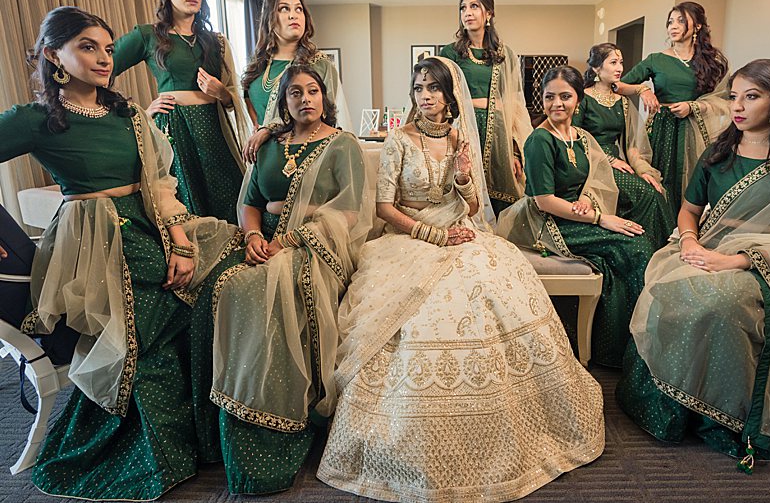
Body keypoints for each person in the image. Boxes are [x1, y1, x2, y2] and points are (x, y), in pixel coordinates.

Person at [317, 55, 604, 502]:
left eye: (433, 89)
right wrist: (432, 233)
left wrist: (467, 178)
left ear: (449, 97)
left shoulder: (457, 138)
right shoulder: (399, 138)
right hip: (408, 238)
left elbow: (470, 207)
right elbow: (384, 208)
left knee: (495, 285)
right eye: (418, 89)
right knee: (421, 319)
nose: (425, 97)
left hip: (461, 230)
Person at [5, 6, 242, 501]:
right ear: (53, 55)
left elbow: (159, 184)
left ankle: (197, 440)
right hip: (96, 242)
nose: (103, 59)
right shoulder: (35, 120)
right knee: (150, 336)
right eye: (87, 47)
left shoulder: (127, 113)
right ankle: (141, 452)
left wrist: (180, 243)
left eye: (108, 49)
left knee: (215, 288)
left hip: (150, 225)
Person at [617, 59, 770, 469]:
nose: (737, 106)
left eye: (751, 97)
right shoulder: (716, 155)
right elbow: (688, 211)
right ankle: (674, 408)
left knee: (717, 303)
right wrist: (688, 242)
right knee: (667, 287)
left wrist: (736, 260)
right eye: (733, 96)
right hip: (704, 248)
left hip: (768, 267)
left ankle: (725, 414)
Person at [209, 65, 372, 494]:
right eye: (295, 92)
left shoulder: (342, 145)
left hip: (317, 246)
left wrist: (292, 240)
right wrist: (254, 235)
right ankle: (228, 416)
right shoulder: (269, 146)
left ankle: (285, 414)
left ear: (324, 97)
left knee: (262, 289)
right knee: (218, 283)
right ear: (283, 102)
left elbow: (350, 212)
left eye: (313, 90)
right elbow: (250, 201)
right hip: (264, 240)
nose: (305, 98)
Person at [497, 66, 657, 367]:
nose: (557, 103)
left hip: (577, 212)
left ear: (578, 100)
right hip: (548, 222)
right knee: (635, 249)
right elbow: (544, 201)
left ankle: (622, 346)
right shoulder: (539, 141)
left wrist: (586, 198)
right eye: (550, 97)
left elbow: (595, 174)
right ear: (541, 100)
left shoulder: (580, 136)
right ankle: (628, 352)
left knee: (629, 248)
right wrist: (600, 218)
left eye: (565, 96)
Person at [111, 0, 248, 222]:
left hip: (213, 128)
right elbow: (103, 68)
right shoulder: (148, 35)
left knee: (229, 195)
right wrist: (140, 112)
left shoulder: (216, 41)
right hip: (174, 126)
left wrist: (220, 91)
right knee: (185, 202)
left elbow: (233, 98)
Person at [613, 1, 730, 214]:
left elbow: (724, 98)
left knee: (693, 181)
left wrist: (693, 106)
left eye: (681, 21)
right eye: (670, 21)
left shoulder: (713, 61)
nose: (673, 26)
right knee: (662, 179)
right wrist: (642, 90)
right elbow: (617, 85)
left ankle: (688, 231)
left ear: (697, 26)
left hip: (696, 129)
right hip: (661, 128)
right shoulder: (656, 60)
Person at [438, 0, 530, 215]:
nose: (467, 13)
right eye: (463, 8)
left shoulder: (504, 54)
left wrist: (515, 151)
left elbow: (514, 105)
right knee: (466, 192)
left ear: (489, 13)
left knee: (503, 195)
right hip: (465, 130)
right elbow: (441, 96)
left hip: (498, 131)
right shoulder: (450, 53)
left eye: (474, 6)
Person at [574, 42, 675, 250]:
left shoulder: (623, 101)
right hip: (591, 162)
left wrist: (643, 170)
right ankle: (641, 247)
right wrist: (609, 160)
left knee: (654, 191)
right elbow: (575, 138)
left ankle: (655, 249)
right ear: (596, 68)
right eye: (613, 62)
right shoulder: (583, 99)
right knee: (644, 196)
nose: (620, 68)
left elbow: (631, 147)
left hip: (619, 163)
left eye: (621, 62)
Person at [240, 0, 351, 162]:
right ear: (270, 17)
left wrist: (269, 129)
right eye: (284, 9)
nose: (294, 15)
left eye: (299, 9)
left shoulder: (319, 64)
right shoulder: (258, 66)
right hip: (261, 155)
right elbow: (248, 110)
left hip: (300, 153)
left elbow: (326, 117)